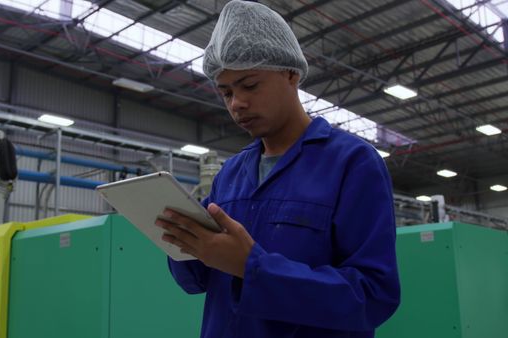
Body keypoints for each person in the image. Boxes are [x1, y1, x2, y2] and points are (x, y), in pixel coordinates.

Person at [154, 1, 401, 337]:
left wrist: (253, 268)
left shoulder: (352, 163)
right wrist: (184, 245)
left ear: (291, 74)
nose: (237, 103)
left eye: (250, 85)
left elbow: (374, 296)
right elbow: (197, 282)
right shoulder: (231, 173)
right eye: (226, 92)